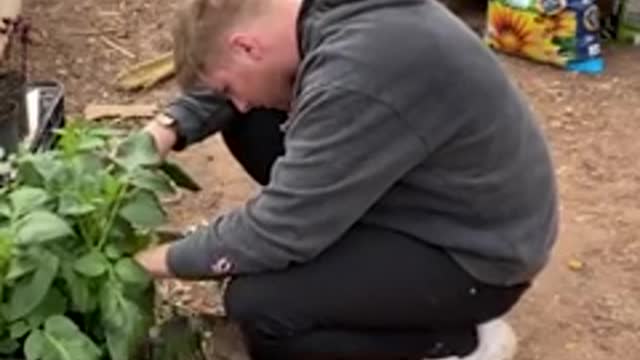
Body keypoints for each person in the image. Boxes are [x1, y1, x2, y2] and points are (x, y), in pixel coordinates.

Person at [135, 0, 559, 359]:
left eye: (230, 87)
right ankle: (363, 273)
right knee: (250, 119)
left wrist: (143, 265)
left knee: (263, 308)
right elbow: (229, 71)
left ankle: (455, 341)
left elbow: (276, 232)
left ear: (247, 46)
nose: (237, 101)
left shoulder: (358, 71)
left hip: (477, 253)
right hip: (439, 196)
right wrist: (163, 131)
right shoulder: (305, 17)